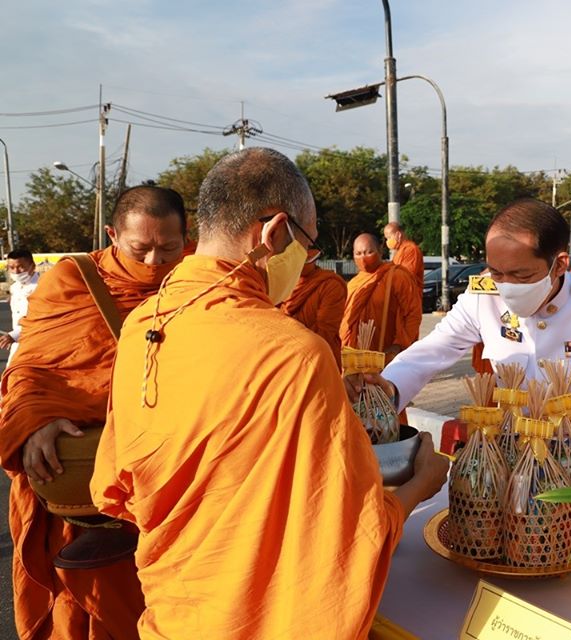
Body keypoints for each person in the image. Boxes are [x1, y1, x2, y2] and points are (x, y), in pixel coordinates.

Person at [90, 148, 448, 640]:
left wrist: (319, 399)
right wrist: (418, 487)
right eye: (307, 243)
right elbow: (345, 537)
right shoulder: (291, 354)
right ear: (274, 233)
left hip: (174, 610)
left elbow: (122, 486)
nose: (306, 260)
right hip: (252, 622)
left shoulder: (143, 323)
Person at [351, 198, 571, 481]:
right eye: (497, 272)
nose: (506, 287)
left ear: (559, 264)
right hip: (514, 463)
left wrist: (560, 421)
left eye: (522, 275)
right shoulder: (483, 296)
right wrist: (389, 387)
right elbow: (434, 349)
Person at [0, 185, 187, 639]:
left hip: (173, 483)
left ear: (189, 238)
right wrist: (37, 420)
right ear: (112, 234)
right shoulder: (73, 280)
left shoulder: (203, 281)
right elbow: (31, 371)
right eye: (139, 249)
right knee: (83, 612)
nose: (153, 263)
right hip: (80, 486)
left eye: (169, 248)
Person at [340, 234, 421, 363]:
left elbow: (413, 314)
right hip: (357, 357)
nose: (363, 259)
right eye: (358, 253)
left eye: (369, 252)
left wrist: (399, 345)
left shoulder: (398, 276)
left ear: (380, 251)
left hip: (389, 354)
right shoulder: (353, 284)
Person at [280, 258, 347, 369]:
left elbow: (325, 332)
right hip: (286, 358)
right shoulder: (279, 284)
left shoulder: (331, 284)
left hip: (319, 360)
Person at [1, 248, 40, 365]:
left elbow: (40, 317)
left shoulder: (42, 287)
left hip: (37, 342)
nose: (16, 271)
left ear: (32, 266)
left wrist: (15, 335)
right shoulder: (15, 288)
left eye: (20, 267)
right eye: (11, 268)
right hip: (18, 342)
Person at [384, 222, 424, 292]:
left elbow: (406, 276)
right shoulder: (400, 251)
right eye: (386, 239)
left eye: (389, 237)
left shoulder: (411, 250)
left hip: (409, 295)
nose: (387, 241)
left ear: (398, 235)